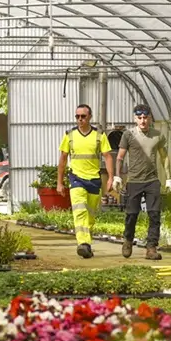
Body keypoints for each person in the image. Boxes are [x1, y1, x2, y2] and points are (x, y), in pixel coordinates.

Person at [112, 103, 171, 260]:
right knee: (132, 214)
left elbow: (164, 157)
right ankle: (127, 240)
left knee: (154, 215)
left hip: (152, 180)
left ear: (150, 118)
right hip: (134, 180)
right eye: (139, 118)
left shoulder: (157, 135)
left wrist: (169, 178)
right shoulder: (128, 135)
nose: (143, 121)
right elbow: (119, 157)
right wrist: (117, 176)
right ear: (135, 119)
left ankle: (151, 248)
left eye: (145, 117)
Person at [57, 104, 115, 259]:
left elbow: (108, 157)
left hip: (94, 180)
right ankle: (82, 243)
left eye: (83, 116)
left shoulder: (99, 135)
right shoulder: (69, 135)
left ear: (90, 117)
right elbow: (63, 159)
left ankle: (86, 245)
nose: (80, 119)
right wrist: (60, 182)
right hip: (76, 178)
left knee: (90, 215)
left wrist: (111, 178)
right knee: (80, 210)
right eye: (77, 116)